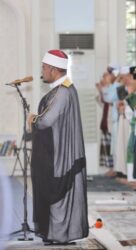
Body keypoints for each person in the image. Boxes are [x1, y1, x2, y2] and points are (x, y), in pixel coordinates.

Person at [28, 50, 88, 244]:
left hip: (60, 155)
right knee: (54, 193)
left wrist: (32, 119)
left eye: (44, 68)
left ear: (54, 70)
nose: (43, 71)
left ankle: (60, 234)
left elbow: (46, 120)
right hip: (56, 150)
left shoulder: (63, 90)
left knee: (58, 193)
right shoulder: (61, 89)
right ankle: (55, 234)